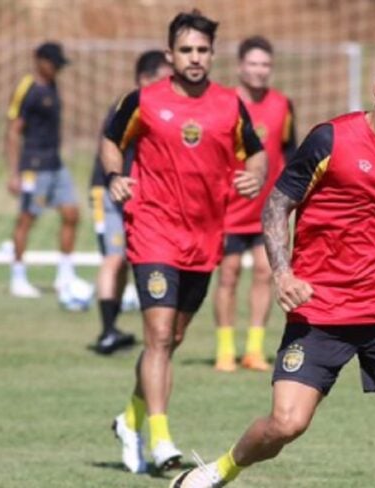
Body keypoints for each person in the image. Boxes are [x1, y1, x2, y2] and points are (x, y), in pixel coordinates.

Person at [171, 43, 375, 488]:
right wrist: (283, 273)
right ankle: (219, 470)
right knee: (287, 424)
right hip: (321, 310)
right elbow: (277, 205)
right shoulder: (331, 140)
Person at [102, 10, 267, 474]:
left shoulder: (230, 105)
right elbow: (112, 140)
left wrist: (255, 177)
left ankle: (129, 419)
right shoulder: (144, 101)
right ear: (171, 54)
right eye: (186, 50)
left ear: (212, 55)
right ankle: (160, 438)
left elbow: (255, 153)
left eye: (202, 50)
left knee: (172, 338)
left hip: (204, 237)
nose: (195, 58)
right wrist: (116, 176)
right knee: (157, 335)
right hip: (152, 230)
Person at [213, 35, 297, 373]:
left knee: (266, 272)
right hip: (229, 209)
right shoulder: (224, 102)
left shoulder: (282, 104)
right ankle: (224, 349)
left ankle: (254, 350)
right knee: (229, 275)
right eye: (253, 64)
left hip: (266, 210)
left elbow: (290, 151)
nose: (260, 71)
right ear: (240, 66)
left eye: (265, 65)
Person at [89, 50, 172, 355]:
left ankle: (114, 327)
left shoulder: (163, 109)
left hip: (138, 195)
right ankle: (107, 332)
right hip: (108, 192)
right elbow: (109, 146)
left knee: (125, 259)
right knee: (113, 257)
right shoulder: (130, 105)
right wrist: (115, 179)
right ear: (144, 79)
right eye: (163, 77)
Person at [6, 41, 82, 298]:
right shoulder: (27, 88)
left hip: (55, 163)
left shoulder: (53, 85)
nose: (57, 69)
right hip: (34, 166)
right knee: (28, 218)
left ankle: (65, 274)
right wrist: (14, 173)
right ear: (39, 61)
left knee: (72, 212)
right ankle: (18, 277)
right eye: (54, 64)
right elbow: (14, 131)